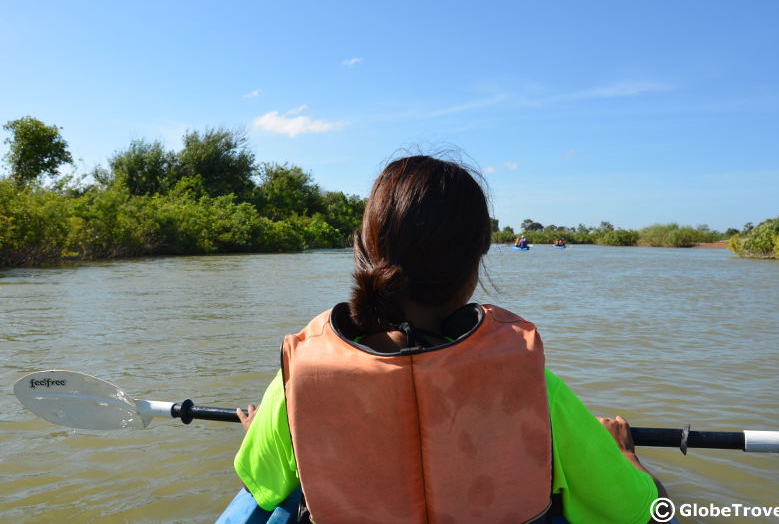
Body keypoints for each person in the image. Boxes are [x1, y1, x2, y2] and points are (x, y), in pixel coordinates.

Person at [233, 154, 667, 523]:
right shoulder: (532, 386)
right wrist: (625, 455)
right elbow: (634, 510)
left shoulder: (299, 381)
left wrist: (263, 433)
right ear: (476, 261)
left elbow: (266, 484)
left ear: (364, 250)